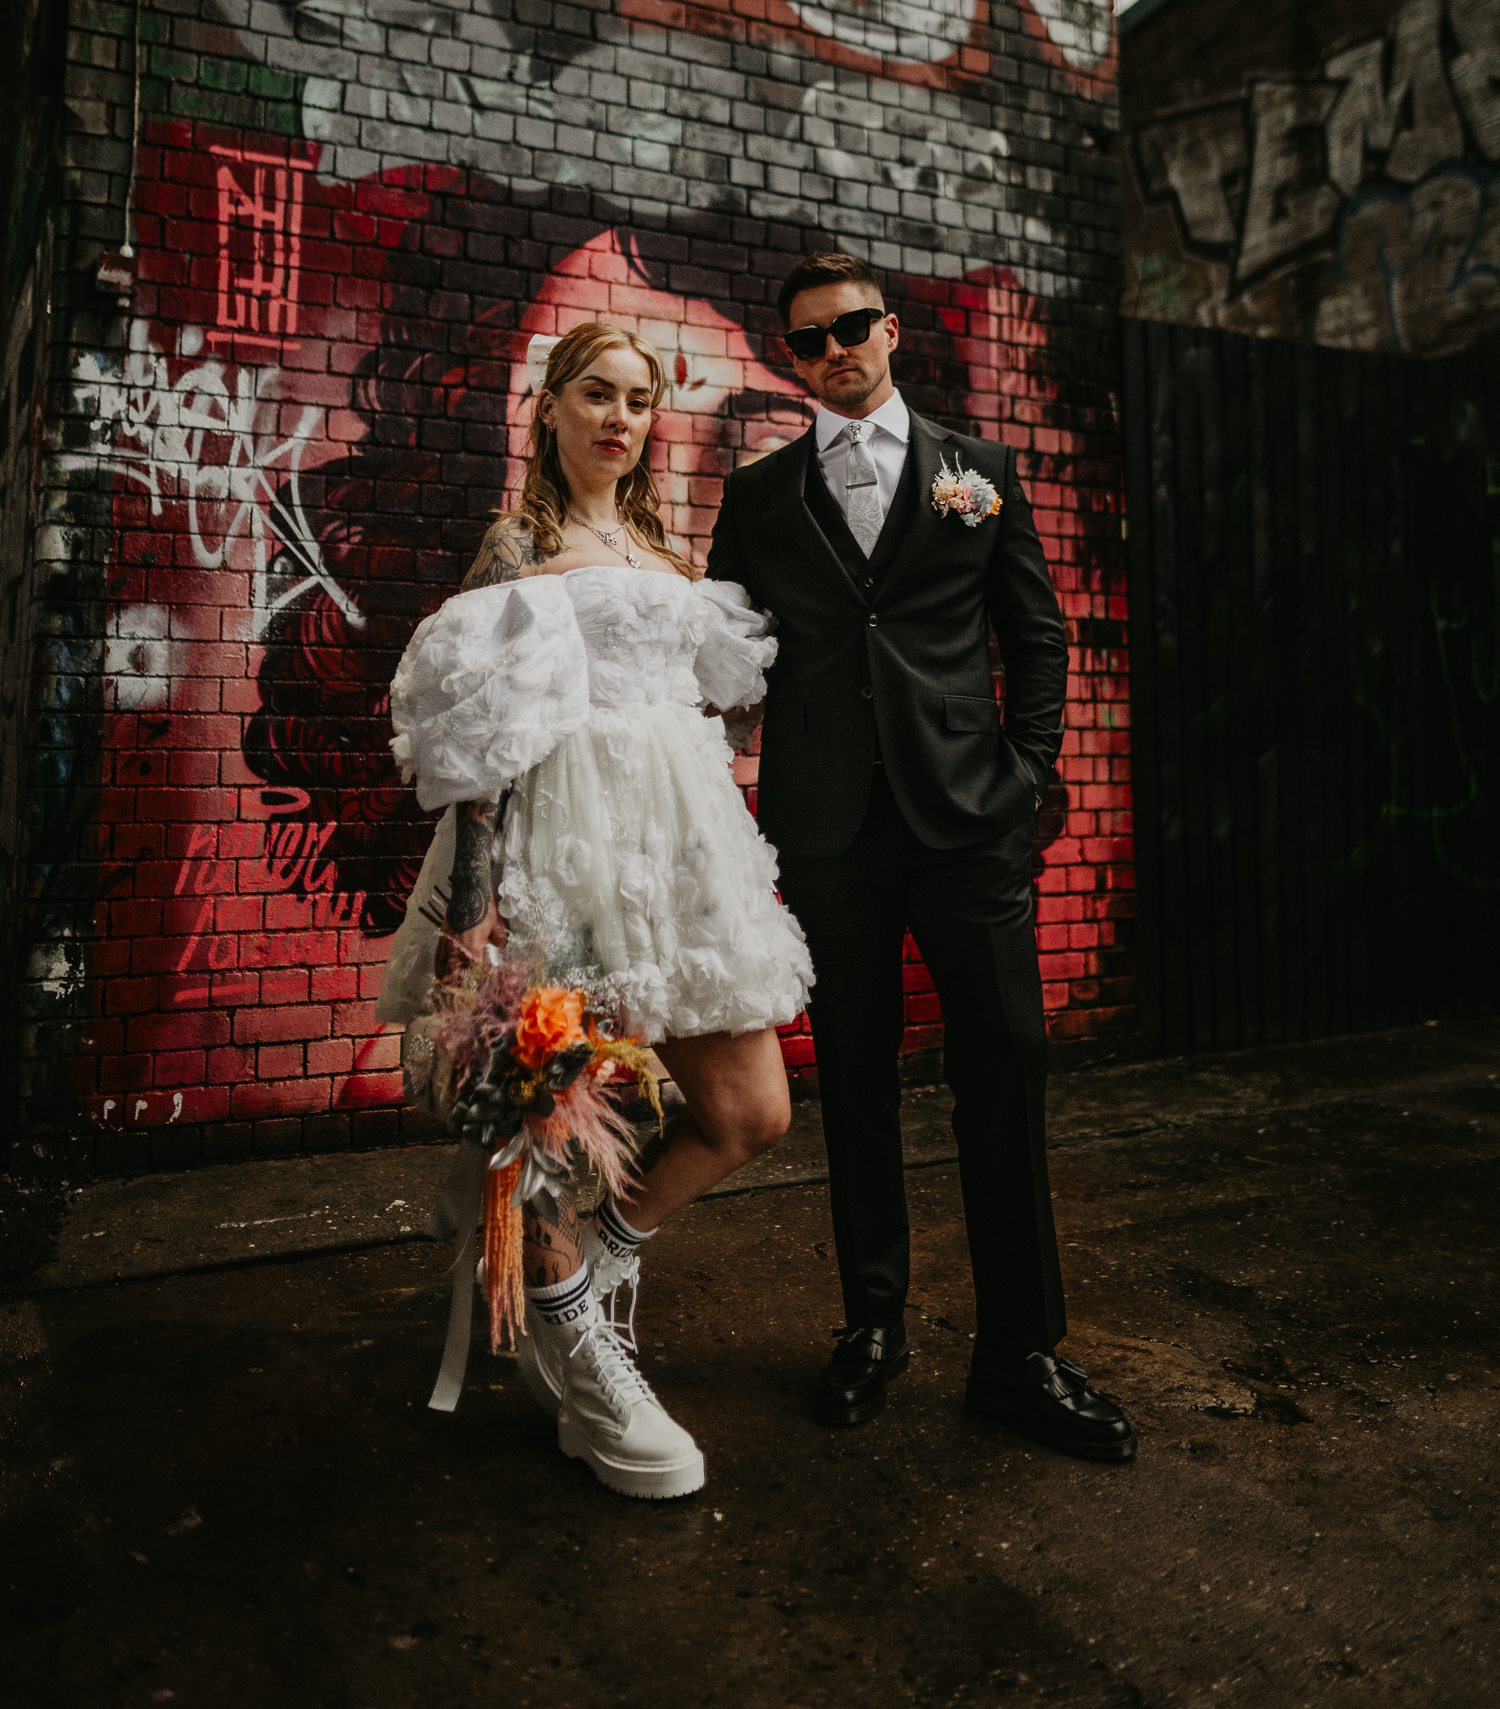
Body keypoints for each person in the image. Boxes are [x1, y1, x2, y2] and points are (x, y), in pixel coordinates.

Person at [706, 251, 1136, 1463]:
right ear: (790, 359)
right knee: (854, 1076)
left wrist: (1027, 775)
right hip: (831, 833)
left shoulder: (978, 476)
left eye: (852, 328)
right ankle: (872, 1325)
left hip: (967, 825)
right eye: (807, 340)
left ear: (892, 333)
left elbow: (1034, 634)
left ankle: (1021, 1354)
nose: (834, 350)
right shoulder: (761, 496)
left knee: (1006, 1069)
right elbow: (727, 656)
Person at [387, 320, 813, 1499]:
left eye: (638, 399)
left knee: (751, 1113)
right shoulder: (515, 545)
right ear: (551, 409)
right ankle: (588, 1361)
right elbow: (475, 740)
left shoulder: (659, 545)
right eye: (596, 394)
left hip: (679, 861)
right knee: (551, 1139)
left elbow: (718, 705)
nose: (620, 417)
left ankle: (580, 1276)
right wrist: (474, 911)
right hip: (555, 851)